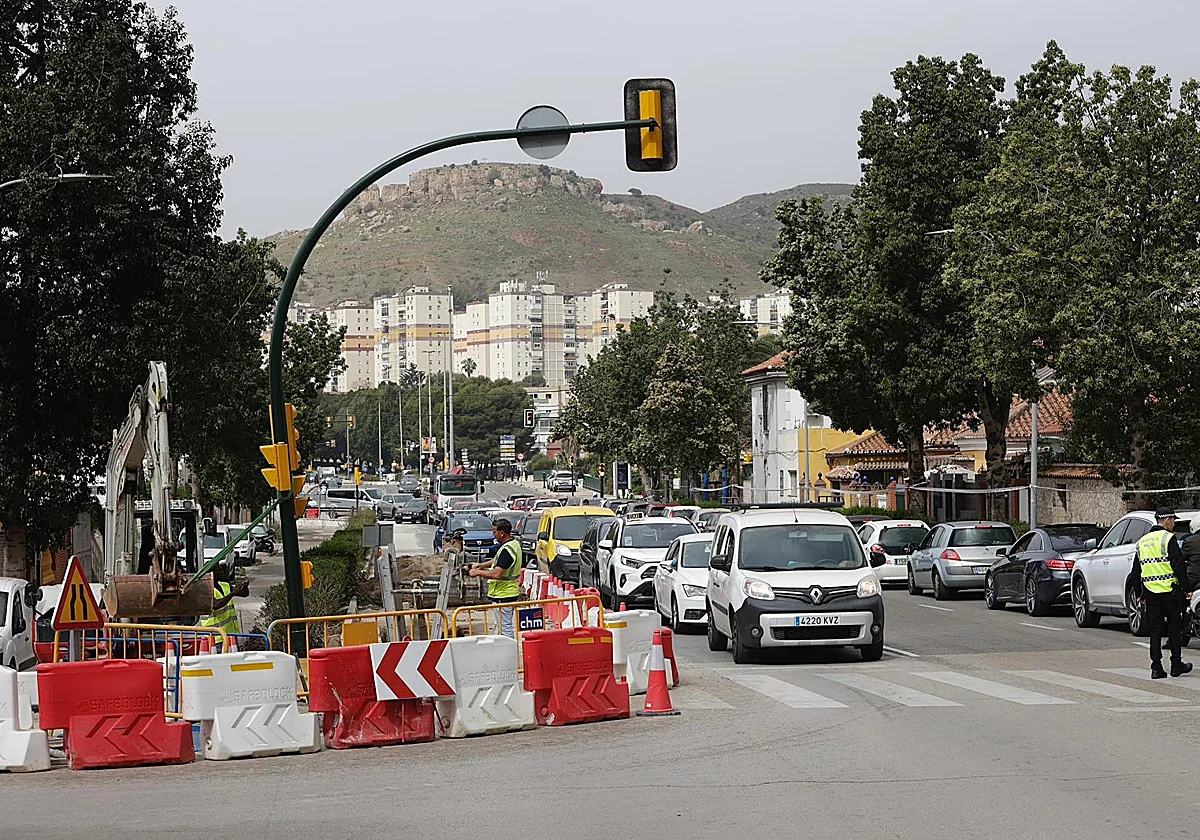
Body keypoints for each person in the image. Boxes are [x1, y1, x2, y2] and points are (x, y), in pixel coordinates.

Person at [1135, 506, 1192, 678]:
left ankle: (1156, 667)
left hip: (1150, 593)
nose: (1174, 524)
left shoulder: (1142, 542)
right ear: (1167, 521)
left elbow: (1135, 571)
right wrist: (1187, 589)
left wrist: (1139, 594)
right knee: (1174, 629)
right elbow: (1178, 565)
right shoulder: (1168, 538)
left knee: (1155, 631)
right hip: (1170, 592)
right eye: (1173, 521)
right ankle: (1176, 664)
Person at [468, 517, 522, 638]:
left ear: (502, 533)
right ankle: (501, 649)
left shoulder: (507, 550)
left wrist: (477, 572)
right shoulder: (512, 544)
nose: (493, 535)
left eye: (495, 532)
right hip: (506, 593)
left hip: (504, 594)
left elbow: (496, 574)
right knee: (501, 626)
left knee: (505, 628)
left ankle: (509, 652)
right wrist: (481, 565)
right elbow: (498, 561)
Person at [202, 560, 247, 638]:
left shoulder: (225, 585)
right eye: (219, 570)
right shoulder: (204, 589)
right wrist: (232, 593)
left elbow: (244, 594)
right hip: (216, 637)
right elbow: (215, 605)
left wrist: (244, 585)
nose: (222, 571)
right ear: (212, 573)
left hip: (231, 634)